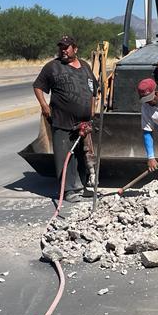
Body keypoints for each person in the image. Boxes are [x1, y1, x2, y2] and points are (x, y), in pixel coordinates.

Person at [32, 36, 98, 202]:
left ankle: (80, 186)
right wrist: (44, 106)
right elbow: (38, 86)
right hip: (62, 121)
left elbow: (93, 90)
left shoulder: (85, 66)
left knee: (82, 156)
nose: (63, 50)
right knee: (64, 156)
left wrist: (92, 110)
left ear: (75, 48)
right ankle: (68, 191)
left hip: (83, 123)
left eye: (67, 47)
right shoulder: (52, 67)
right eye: (61, 47)